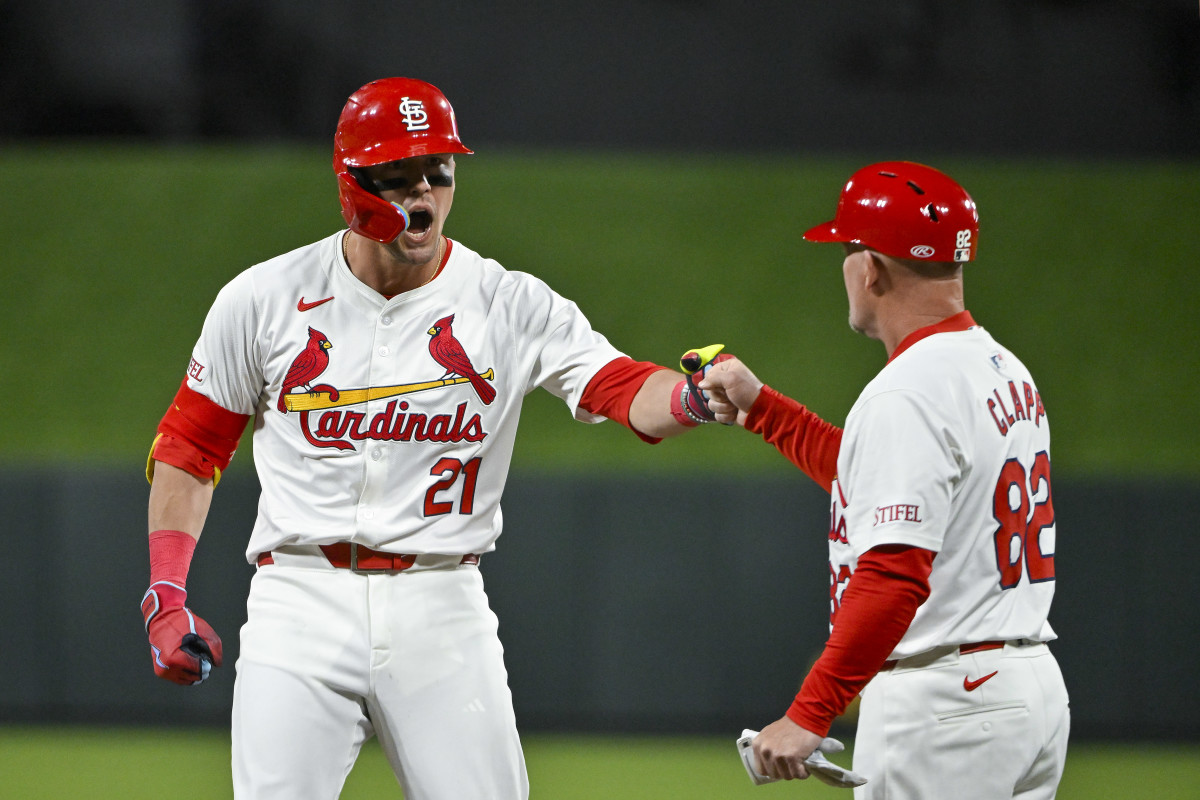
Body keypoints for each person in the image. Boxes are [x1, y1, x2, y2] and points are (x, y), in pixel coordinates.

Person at [138, 77, 728, 800]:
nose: (423, 191)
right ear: (350, 182)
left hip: (441, 601)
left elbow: (621, 387)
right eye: (397, 173)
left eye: (438, 171)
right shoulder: (264, 298)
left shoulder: (507, 302)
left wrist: (695, 397)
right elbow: (191, 451)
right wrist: (166, 594)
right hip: (299, 597)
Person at [701, 161, 1069, 798]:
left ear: (869, 267)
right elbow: (880, 481)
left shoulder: (909, 387)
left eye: (845, 249)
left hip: (947, 706)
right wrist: (763, 409)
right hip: (1026, 687)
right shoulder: (1000, 367)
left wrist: (809, 713)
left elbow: (895, 569)